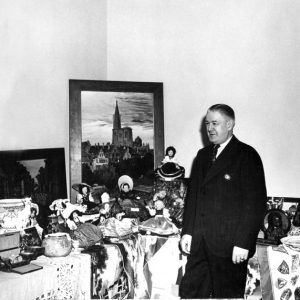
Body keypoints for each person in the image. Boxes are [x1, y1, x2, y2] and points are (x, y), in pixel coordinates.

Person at [179, 104, 267, 299]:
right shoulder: (202, 156)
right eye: (207, 123)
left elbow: (255, 204)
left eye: (215, 123)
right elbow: (193, 198)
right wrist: (187, 232)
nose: (210, 128)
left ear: (230, 124)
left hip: (229, 248)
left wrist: (243, 242)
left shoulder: (247, 155)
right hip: (200, 244)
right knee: (190, 293)